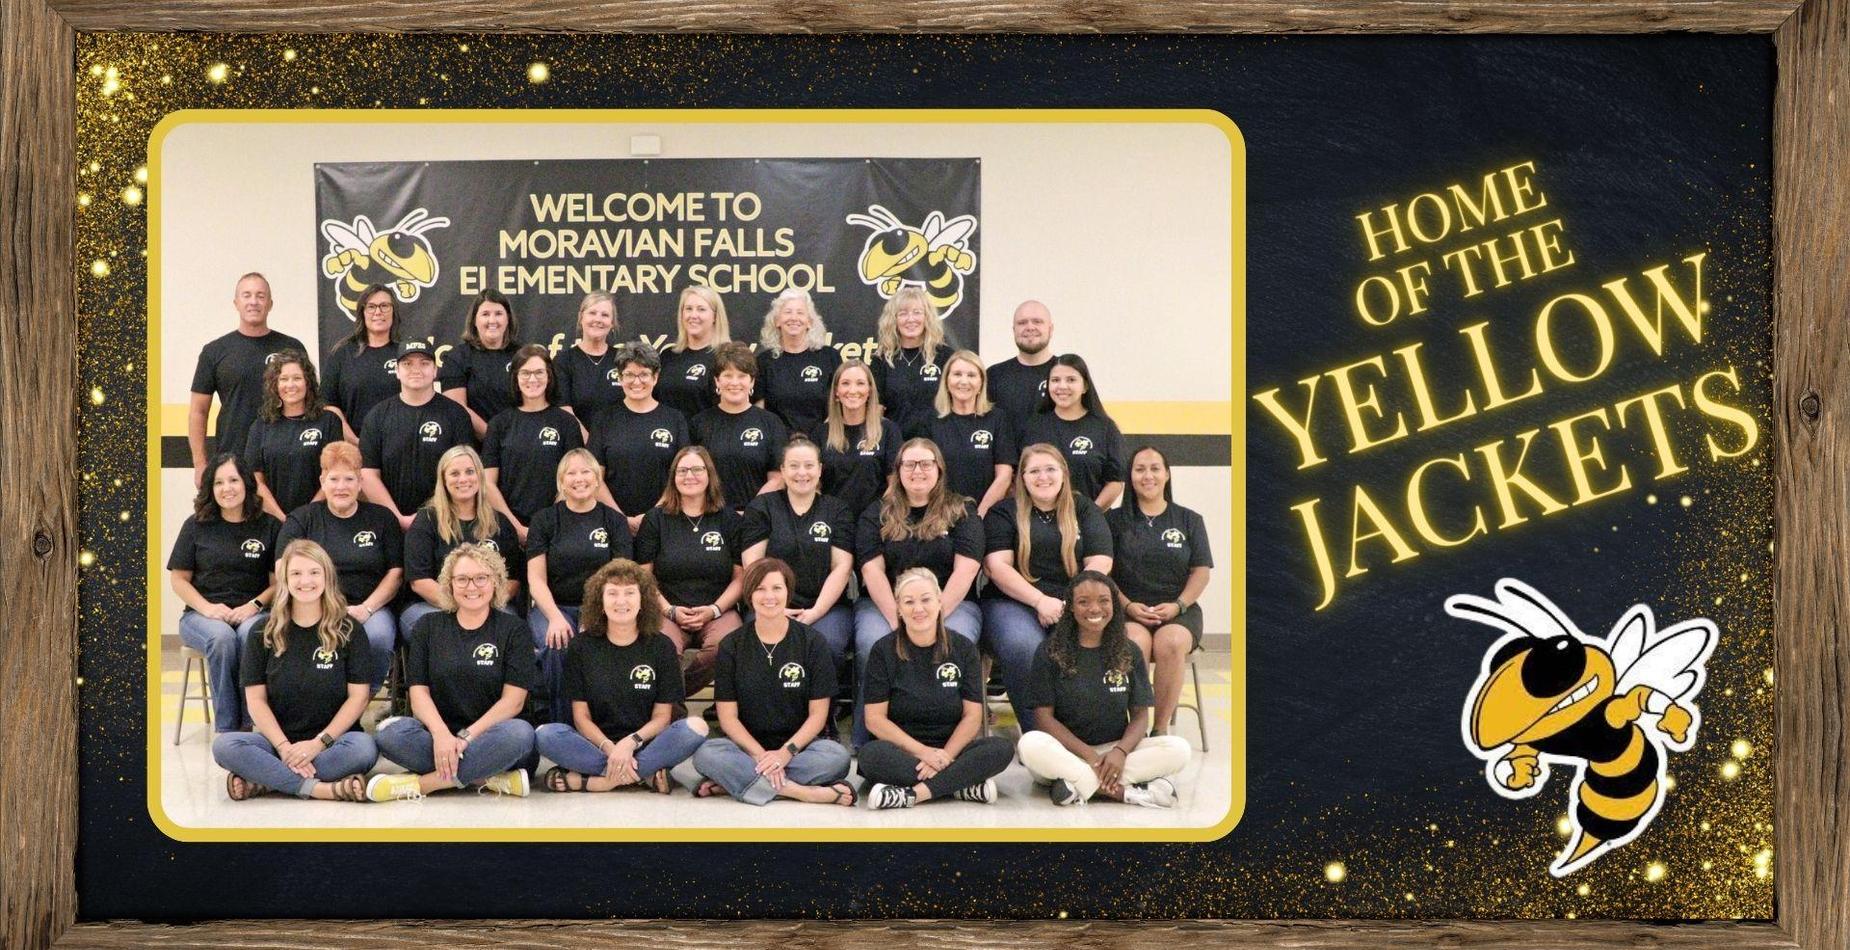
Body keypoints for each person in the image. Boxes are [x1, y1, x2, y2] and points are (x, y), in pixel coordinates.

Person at [212, 539, 376, 802]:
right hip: (277, 743)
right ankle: (320, 789)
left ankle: (268, 781)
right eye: (296, 573)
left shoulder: (349, 630)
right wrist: (284, 747)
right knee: (224, 746)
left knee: (364, 750)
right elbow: (256, 701)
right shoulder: (261, 632)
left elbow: (358, 698)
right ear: (285, 580)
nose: (305, 581)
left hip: (332, 742)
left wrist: (317, 744)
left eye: (314, 572)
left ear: (327, 577)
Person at [369, 544, 537, 800]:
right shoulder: (427, 626)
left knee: (521, 734)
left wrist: (466, 738)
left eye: (481, 578)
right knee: (388, 733)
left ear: (495, 582)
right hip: (440, 738)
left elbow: (513, 703)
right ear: (449, 584)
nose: (472, 587)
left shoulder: (515, 629)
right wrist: (441, 735)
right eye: (462, 579)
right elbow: (419, 694)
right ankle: (485, 778)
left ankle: (424, 785)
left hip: (493, 738)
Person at [1017, 571, 1190, 807]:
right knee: (1030, 744)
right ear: (1071, 608)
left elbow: (1140, 716)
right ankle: (1122, 792)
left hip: (1114, 750)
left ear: (1114, 605)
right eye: (1083, 602)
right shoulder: (1049, 651)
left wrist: (1120, 752)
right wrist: (1090, 756)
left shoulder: (1129, 651)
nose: (1094, 609)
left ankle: (1075, 784)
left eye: (1103, 601)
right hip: (1066, 751)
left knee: (1179, 749)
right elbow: (1043, 719)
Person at [535, 559, 709, 793]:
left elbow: (662, 718)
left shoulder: (662, 646)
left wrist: (630, 743)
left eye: (629, 593)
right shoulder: (581, 647)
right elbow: (581, 717)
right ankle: (642, 774)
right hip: (597, 745)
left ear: (643, 600)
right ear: (600, 601)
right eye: (612, 593)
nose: (621, 601)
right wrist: (610, 748)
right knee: (544, 735)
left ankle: (595, 781)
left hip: (645, 744)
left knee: (696, 727)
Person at [690, 558, 855, 806]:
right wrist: (761, 756)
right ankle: (801, 792)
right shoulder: (732, 645)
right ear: (749, 594)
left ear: (788, 592)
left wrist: (784, 754)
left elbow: (818, 716)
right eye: (760, 589)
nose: (769, 596)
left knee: (837, 758)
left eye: (777, 588)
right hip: (747, 750)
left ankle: (737, 783)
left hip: (798, 749)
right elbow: (728, 718)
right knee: (705, 755)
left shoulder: (813, 642)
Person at [852, 438, 983, 744]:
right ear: (898, 471)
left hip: (951, 604)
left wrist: (932, 616)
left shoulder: (962, 510)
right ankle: (870, 738)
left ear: (939, 469)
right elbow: (872, 571)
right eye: (909, 464)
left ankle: (951, 740)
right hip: (886, 605)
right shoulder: (877, 513)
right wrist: (900, 619)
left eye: (926, 463)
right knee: (873, 643)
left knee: (954, 641)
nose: (917, 471)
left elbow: (966, 570)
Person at [982, 445, 1113, 732]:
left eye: (1050, 469)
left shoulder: (1084, 509)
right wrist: (1040, 601)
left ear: (1064, 473)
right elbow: (996, 566)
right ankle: (1038, 736)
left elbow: (1100, 561)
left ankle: (1082, 732)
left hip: (1072, 601)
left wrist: (1069, 602)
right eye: (1034, 471)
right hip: (1011, 602)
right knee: (1024, 646)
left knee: (1082, 644)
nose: (1043, 477)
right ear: (1022, 478)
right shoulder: (1004, 512)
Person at [860, 569, 1014, 809]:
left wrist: (946, 756)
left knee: (1001, 749)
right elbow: (874, 720)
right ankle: (960, 785)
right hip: (904, 751)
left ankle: (913, 794)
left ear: (939, 602)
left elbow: (973, 716)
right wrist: (924, 753)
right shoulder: (883, 650)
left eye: (926, 599)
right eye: (909, 602)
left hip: (952, 750)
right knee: (870, 756)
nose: (918, 609)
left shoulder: (963, 648)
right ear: (898, 608)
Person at [167, 452, 280, 732]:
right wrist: (208, 609)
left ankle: (250, 724)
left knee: (250, 636)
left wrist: (254, 605)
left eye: (233, 480)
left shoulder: (269, 526)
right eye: (218, 483)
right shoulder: (196, 525)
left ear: (246, 484)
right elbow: (179, 579)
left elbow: (278, 583)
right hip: (201, 616)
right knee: (222, 639)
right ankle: (229, 731)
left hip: (254, 612)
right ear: (210, 488)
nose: (226, 488)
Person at [274, 441, 401, 687]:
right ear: (322, 481)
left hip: (370, 608)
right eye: (334, 479)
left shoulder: (382, 519)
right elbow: (283, 568)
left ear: (360, 482)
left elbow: (396, 573)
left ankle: (363, 698)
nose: (341, 487)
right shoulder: (302, 519)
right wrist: (320, 608)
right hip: (314, 607)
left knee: (378, 636)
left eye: (349, 479)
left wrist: (366, 609)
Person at [1108, 445, 1214, 736]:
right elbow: (1103, 572)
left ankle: (1159, 730)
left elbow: (1201, 572)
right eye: (1140, 469)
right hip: (1127, 608)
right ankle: (1137, 728)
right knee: (1135, 642)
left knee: (1171, 642)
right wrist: (1127, 605)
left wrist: (1179, 605)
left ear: (1167, 474)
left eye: (1155, 468)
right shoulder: (1113, 521)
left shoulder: (1190, 520)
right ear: (1130, 476)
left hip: (1180, 610)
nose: (1148, 476)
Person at [525, 449, 633, 724]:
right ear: (561, 481)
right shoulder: (544, 520)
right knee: (557, 643)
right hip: (554, 607)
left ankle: (602, 723)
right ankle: (561, 727)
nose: (579, 478)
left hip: (603, 606)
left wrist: (593, 615)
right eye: (571, 473)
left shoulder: (614, 521)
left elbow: (619, 577)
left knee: (595, 644)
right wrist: (555, 617)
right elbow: (536, 579)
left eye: (586, 471)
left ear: (597, 479)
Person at [740, 435, 854, 682]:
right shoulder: (762, 507)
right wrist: (776, 607)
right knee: (763, 644)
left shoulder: (837, 510)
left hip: (826, 608)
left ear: (820, 470)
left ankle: (824, 705)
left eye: (809, 465)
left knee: (828, 644)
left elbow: (842, 567)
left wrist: (815, 612)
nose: (802, 473)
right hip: (768, 604)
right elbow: (753, 565)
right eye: (793, 466)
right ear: (782, 470)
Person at [634, 446, 744, 696]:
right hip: (667, 609)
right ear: (673, 477)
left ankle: (670, 697)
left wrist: (714, 609)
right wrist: (669, 610)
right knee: (663, 648)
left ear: (709, 475)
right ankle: (670, 708)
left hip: (718, 610)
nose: (689, 476)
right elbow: (643, 577)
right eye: (682, 471)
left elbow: (741, 577)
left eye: (697, 469)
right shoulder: (655, 519)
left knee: (726, 645)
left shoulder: (729, 520)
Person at [188, 272, 308, 488]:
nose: (254, 301)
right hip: (233, 457)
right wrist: (200, 464)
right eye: (247, 295)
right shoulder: (214, 351)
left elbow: (309, 402)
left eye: (261, 296)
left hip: (283, 456)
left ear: (270, 304)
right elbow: (198, 411)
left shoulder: (292, 347)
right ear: (236, 303)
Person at [399, 445, 524, 637]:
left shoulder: (500, 523)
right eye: (454, 473)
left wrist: (480, 604)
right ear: (443, 480)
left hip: (489, 606)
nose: (463, 479)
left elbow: (512, 580)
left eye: (470, 472)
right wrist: (465, 607)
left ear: (480, 476)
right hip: (434, 606)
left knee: (509, 625)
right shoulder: (427, 521)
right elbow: (420, 581)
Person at [359, 339, 476, 531]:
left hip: (444, 522)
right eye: (407, 364)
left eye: (424, 363)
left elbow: (464, 473)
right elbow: (368, 474)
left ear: (435, 370)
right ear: (397, 371)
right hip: (389, 524)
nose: (416, 369)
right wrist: (398, 518)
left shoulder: (456, 414)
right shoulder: (377, 416)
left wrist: (429, 517)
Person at [482, 343, 584, 542]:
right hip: (509, 528)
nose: (532, 379)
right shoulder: (499, 424)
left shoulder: (566, 422)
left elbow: (575, 478)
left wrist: (549, 523)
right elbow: (488, 483)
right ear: (515, 378)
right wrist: (516, 528)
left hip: (558, 528)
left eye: (539, 372)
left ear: (549, 376)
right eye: (525, 373)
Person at [585, 342, 689, 536]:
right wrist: (620, 518)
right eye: (629, 375)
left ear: (655, 377)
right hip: (613, 525)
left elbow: (682, 475)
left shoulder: (675, 419)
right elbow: (594, 476)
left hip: (664, 523)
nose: (636, 381)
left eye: (643, 374)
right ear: (620, 377)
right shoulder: (604, 419)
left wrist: (651, 516)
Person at [243, 350, 350, 521]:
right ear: (275, 385)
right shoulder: (260, 427)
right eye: (284, 379)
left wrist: (306, 517)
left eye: (297, 378)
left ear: (308, 382)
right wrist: (283, 519)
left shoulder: (328, 421)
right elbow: (256, 480)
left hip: (319, 519)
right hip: (274, 521)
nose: (290, 385)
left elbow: (334, 472)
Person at [909, 349, 1016, 516]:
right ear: (946, 380)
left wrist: (979, 516)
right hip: (938, 514)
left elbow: (1004, 476)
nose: (964, 381)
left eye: (971, 375)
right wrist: (941, 513)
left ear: (981, 382)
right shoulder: (929, 421)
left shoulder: (997, 419)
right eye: (957, 374)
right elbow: (922, 473)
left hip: (986, 515)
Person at [1020, 354, 1127, 510]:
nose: (1062, 386)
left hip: (1088, 521)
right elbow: (1020, 479)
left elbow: (1115, 482)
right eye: (1055, 380)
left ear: (1085, 386)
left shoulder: (1105, 428)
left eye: (1071, 380)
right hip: (1040, 521)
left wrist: (1089, 515)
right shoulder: (1033, 427)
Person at [691, 342, 788, 511]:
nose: (734, 382)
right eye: (728, 375)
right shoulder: (699, 423)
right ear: (717, 381)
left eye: (742, 376)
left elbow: (778, 478)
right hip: (709, 516)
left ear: (752, 382)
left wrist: (751, 512)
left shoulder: (771, 423)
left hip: (757, 517)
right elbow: (690, 476)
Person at [810, 360, 901, 521]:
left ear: (869, 390)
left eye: (860, 383)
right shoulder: (820, 433)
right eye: (845, 383)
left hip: (876, 522)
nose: (853, 390)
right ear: (836, 391)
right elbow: (814, 486)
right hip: (833, 522)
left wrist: (874, 518)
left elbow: (895, 485)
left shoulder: (888, 431)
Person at [869, 286, 957, 435]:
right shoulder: (881, 360)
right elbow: (876, 410)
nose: (911, 319)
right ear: (893, 320)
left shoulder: (945, 356)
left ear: (927, 317)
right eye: (903, 313)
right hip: (897, 443)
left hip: (937, 442)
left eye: (917, 312)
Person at [756, 289, 842, 435]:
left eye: (800, 313)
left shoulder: (829, 357)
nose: (794, 318)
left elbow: (840, 404)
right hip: (778, 442)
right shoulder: (764, 361)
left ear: (810, 322)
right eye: (788, 312)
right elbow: (760, 410)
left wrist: (820, 437)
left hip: (823, 440)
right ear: (777, 321)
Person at [321, 284, 402, 438]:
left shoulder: (404, 354)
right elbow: (329, 404)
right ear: (362, 313)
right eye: (371, 307)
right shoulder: (342, 354)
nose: (378, 312)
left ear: (394, 311)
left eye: (384, 306)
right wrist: (354, 441)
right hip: (353, 444)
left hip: (398, 444)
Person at [440, 289, 523, 439]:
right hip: (472, 445)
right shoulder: (457, 357)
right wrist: (493, 438)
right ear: (474, 320)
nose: (492, 320)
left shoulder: (522, 356)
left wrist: (514, 441)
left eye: (498, 313)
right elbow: (456, 407)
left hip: (518, 441)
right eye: (485, 314)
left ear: (508, 319)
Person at [656, 284, 730, 420]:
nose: (693, 315)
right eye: (688, 309)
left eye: (701, 309)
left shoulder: (726, 357)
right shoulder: (667, 356)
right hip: (666, 432)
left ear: (715, 316)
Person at [553, 291, 625, 425]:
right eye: (592, 313)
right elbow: (564, 408)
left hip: (620, 436)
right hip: (576, 437)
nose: (598, 319)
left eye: (605, 315)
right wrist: (589, 438)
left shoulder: (623, 359)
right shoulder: (564, 361)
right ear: (581, 318)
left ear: (612, 323)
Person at [986, 299, 1058, 427]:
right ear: (1014, 330)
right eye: (1022, 323)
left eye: (1037, 321)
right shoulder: (994, 375)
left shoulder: (1068, 373)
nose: (1030, 327)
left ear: (1051, 329)